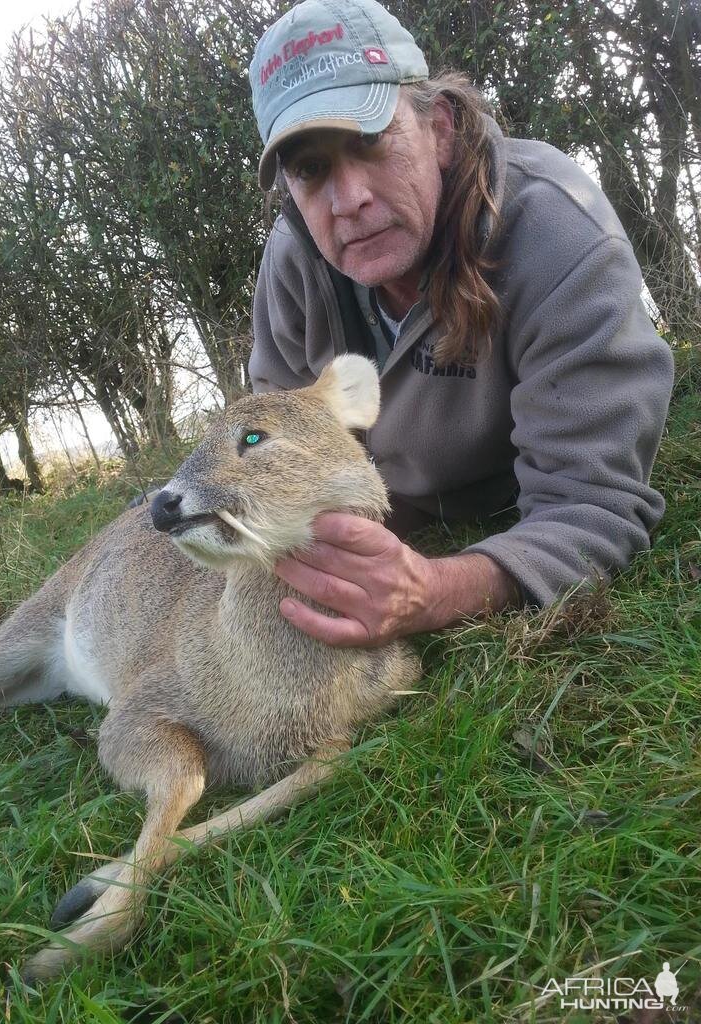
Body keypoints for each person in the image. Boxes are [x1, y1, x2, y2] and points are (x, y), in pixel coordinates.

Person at [245, 0, 674, 649]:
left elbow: (591, 506)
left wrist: (429, 590)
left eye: (369, 141)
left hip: (510, 502)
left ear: (439, 128)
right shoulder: (293, 260)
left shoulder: (562, 238)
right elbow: (272, 444)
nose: (349, 198)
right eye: (311, 169)